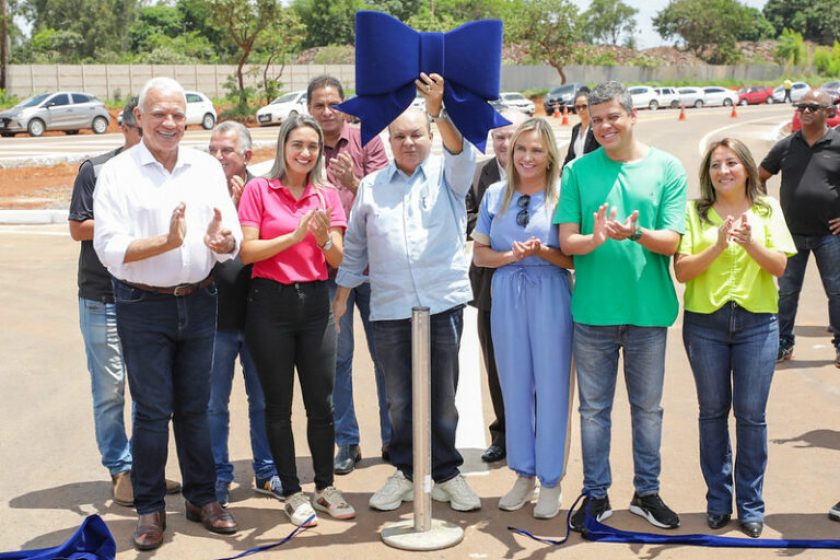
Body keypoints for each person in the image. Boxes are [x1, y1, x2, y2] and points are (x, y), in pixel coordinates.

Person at [93, 77, 240, 550]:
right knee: (153, 412)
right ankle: (151, 509)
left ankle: (202, 499)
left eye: (178, 114)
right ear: (139, 116)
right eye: (159, 114)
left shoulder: (204, 167)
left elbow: (230, 232)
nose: (170, 123)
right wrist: (167, 242)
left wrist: (223, 243)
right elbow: (108, 249)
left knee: (196, 408)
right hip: (143, 305)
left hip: (199, 299)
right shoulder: (117, 172)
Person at [335, 73, 481, 513]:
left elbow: (461, 149)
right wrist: (342, 295)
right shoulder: (372, 186)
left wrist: (437, 107)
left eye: (417, 134)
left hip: (442, 304)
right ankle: (404, 470)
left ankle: (447, 473)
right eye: (400, 136)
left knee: (442, 398)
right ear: (390, 140)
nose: (409, 142)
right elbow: (356, 245)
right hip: (392, 308)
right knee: (398, 397)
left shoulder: (449, 175)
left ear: (429, 134)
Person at [555, 81, 687, 532]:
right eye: (596, 119)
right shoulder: (576, 171)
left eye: (613, 116)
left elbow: (672, 241)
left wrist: (635, 234)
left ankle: (647, 492)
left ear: (632, 115)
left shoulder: (667, 168)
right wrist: (593, 240)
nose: (605, 126)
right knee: (593, 411)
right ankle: (596, 493)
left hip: (648, 312)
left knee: (648, 409)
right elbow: (567, 241)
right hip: (592, 312)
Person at [238, 114, 354, 528]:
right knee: (277, 405)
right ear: (283, 147)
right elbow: (247, 252)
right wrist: (293, 236)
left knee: (321, 403)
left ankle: (324, 486)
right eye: (297, 145)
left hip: (315, 306)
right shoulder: (258, 189)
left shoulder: (326, 195)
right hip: (269, 305)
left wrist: (322, 239)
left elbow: (340, 260)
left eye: (313, 147)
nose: (305, 153)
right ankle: (291, 491)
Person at [675, 138, 795, 538]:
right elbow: (684, 271)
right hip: (705, 323)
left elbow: (779, 266)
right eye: (714, 165)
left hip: (757, 323)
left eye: (730, 163)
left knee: (751, 416)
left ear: (745, 167)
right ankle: (717, 501)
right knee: (712, 413)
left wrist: (750, 242)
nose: (723, 171)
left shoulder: (767, 209)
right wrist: (720, 244)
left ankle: (750, 506)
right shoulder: (696, 212)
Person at [69, 98, 181, 507]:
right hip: (103, 297)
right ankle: (120, 467)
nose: (149, 137)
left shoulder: (167, 171)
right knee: (110, 389)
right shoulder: (96, 170)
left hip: (150, 296)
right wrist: (132, 225)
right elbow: (79, 228)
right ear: (126, 126)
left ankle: (147, 469)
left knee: (151, 391)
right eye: (141, 128)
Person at [472, 117, 574, 519]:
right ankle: (524, 474)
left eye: (535, 150)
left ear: (549, 155)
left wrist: (542, 253)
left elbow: (572, 257)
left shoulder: (563, 194)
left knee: (550, 387)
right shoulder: (495, 193)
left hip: (550, 290)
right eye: (520, 149)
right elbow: (480, 254)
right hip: (505, 292)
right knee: (512, 386)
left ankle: (551, 481)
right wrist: (510, 256)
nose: (527, 157)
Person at [306, 75, 391, 475]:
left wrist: (352, 183)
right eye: (319, 105)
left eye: (334, 104)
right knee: (338, 360)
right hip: (328, 270)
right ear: (309, 109)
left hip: (374, 268)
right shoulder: (303, 145)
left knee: (386, 357)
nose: (327, 112)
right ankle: (348, 441)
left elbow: (390, 199)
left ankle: (394, 438)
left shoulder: (367, 138)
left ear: (346, 106)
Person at [206, 121, 281, 507]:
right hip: (214, 318)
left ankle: (266, 473)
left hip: (259, 317)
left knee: (265, 400)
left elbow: (269, 246)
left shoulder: (265, 192)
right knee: (213, 404)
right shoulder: (198, 190)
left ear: (248, 156)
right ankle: (218, 475)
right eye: (213, 150)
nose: (218, 158)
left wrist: (241, 212)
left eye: (227, 151)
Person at [758, 89, 840, 370]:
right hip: (790, 235)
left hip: (830, 235)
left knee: (837, 291)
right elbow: (760, 175)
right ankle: (783, 343)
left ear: (829, 112)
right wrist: (767, 213)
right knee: (786, 293)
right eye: (801, 106)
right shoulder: (786, 146)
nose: (805, 111)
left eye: (812, 107)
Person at [465, 109, 528, 465]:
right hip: (489, 286)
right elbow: (468, 218)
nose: (504, 143)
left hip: (538, 284)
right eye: (498, 137)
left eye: (510, 135)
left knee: (535, 364)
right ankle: (503, 433)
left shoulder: (543, 172)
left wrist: (495, 229)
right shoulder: (480, 176)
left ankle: (534, 432)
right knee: (496, 364)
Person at [562, 87, 599, 170]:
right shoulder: (575, 129)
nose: (581, 110)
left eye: (584, 106)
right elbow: (570, 156)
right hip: (575, 174)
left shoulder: (597, 128)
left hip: (591, 173)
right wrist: (563, 171)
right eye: (577, 107)